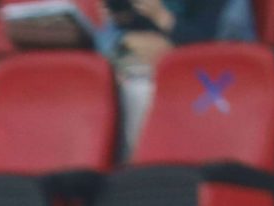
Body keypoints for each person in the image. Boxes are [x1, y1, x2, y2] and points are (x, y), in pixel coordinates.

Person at [96, 0, 255, 145]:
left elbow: (223, 55)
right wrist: (125, 39)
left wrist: (162, 17)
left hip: (204, 84)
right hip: (137, 70)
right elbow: (105, 37)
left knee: (140, 94)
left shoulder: (226, 6)